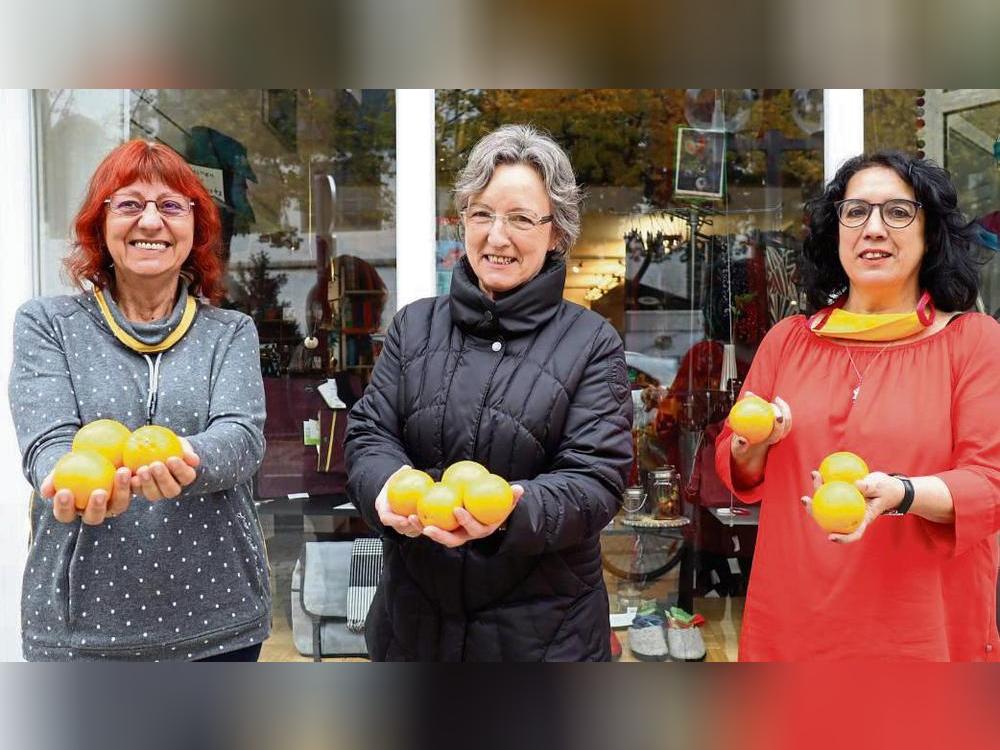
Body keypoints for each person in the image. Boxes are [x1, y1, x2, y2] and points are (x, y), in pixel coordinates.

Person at [345, 124, 633, 661]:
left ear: (556, 234)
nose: (497, 237)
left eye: (521, 218)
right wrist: (385, 490)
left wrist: (512, 512)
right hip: (414, 633)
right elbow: (370, 434)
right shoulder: (414, 327)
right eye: (482, 214)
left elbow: (595, 480)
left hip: (545, 641)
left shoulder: (591, 343)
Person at [715, 151, 1000, 660]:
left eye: (897, 212)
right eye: (855, 212)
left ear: (930, 233)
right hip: (795, 624)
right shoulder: (788, 341)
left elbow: (990, 483)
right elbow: (741, 469)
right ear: (836, 233)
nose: (873, 228)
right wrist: (751, 441)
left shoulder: (973, 342)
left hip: (921, 633)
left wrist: (900, 492)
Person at [9, 140, 270, 661]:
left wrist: (176, 458)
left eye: (171, 206)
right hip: (81, 628)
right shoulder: (47, 323)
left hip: (219, 621)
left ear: (195, 228)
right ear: (99, 224)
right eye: (129, 204)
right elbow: (48, 440)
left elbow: (241, 439)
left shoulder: (230, 331)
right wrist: (64, 474)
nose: (151, 222)